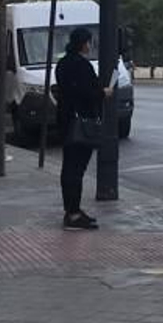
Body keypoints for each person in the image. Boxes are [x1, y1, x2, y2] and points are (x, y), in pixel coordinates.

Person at [54, 26, 103, 230]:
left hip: (65, 120)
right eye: (89, 42)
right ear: (84, 43)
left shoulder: (62, 64)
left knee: (69, 166)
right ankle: (73, 213)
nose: (90, 46)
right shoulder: (82, 66)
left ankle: (71, 209)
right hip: (81, 122)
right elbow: (88, 92)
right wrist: (104, 92)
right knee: (77, 168)